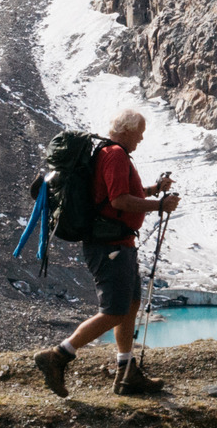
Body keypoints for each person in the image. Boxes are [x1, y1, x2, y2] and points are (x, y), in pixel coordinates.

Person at [34, 110, 178, 397]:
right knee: (113, 311)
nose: (142, 137)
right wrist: (160, 207)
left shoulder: (111, 153)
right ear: (126, 130)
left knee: (131, 304)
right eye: (140, 131)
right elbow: (118, 200)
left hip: (120, 244)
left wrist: (152, 189)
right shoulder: (115, 154)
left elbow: (117, 195)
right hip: (109, 246)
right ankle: (57, 356)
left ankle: (127, 373)